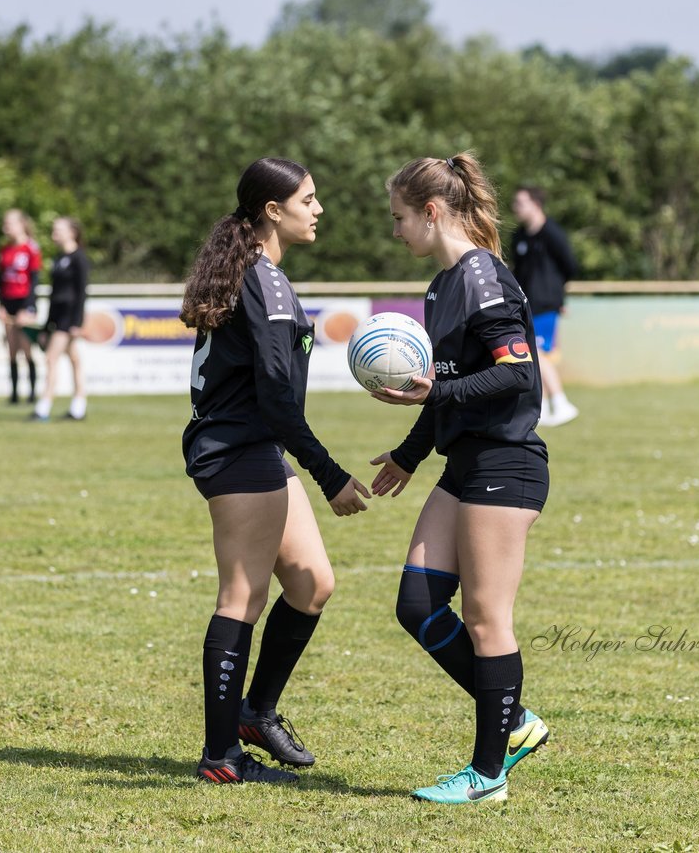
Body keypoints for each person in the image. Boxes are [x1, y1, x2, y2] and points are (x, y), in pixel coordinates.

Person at [180, 157, 371, 785]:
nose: (318, 210)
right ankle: (221, 758)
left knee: (313, 582)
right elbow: (276, 399)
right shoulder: (263, 279)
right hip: (239, 449)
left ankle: (255, 713)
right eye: (309, 199)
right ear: (273, 210)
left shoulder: (261, 274)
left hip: (256, 447)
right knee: (242, 597)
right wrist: (330, 473)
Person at [369, 152, 551, 805]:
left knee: (485, 616)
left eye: (398, 218)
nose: (395, 232)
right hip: (465, 463)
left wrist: (433, 392)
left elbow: (516, 372)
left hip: (505, 463)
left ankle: (488, 774)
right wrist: (408, 455)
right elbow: (445, 388)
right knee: (417, 606)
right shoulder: (443, 285)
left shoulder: (483, 276)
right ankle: (517, 719)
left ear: (432, 210)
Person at [509, 186, 580, 426]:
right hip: (525, 305)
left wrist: (557, 297)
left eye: (521, 203)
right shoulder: (519, 236)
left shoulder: (552, 233)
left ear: (536, 204)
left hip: (546, 304)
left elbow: (569, 265)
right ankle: (545, 409)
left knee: (537, 354)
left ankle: (561, 402)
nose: (515, 208)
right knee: (535, 355)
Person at [30, 217, 91, 422]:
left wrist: (77, 322)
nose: (54, 233)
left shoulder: (79, 258)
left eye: (58, 230)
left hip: (69, 318)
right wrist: (47, 325)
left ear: (72, 232)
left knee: (51, 357)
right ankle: (78, 406)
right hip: (58, 316)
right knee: (74, 359)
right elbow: (55, 294)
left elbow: (81, 292)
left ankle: (43, 407)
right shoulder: (58, 259)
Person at [0, 209, 41, 405]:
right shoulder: (4, 250)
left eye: (10, 223)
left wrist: (29, 307)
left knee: (27, 349)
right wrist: (1, 305)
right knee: (12, 350)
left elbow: (34, 280)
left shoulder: (31, 248)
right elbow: (0, 280)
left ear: (22, 224)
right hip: (9, 304)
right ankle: (14, 395)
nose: (6, 228)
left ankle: (32, 394)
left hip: (25, 304)